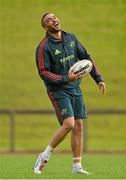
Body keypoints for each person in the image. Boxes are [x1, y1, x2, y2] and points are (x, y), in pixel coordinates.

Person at [33, 12, 106, 175]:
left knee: (79, 125)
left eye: (55, 17)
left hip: (75, 88)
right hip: (58, 90)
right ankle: (44, 156)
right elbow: (43, 72)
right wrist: (66, 77)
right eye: (49, 20)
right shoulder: (44, 47)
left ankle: (76, 166)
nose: (54, 20)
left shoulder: (71, 38)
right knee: (69, 124)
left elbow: (86, 58)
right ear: (45, 27)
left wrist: (98, 78)